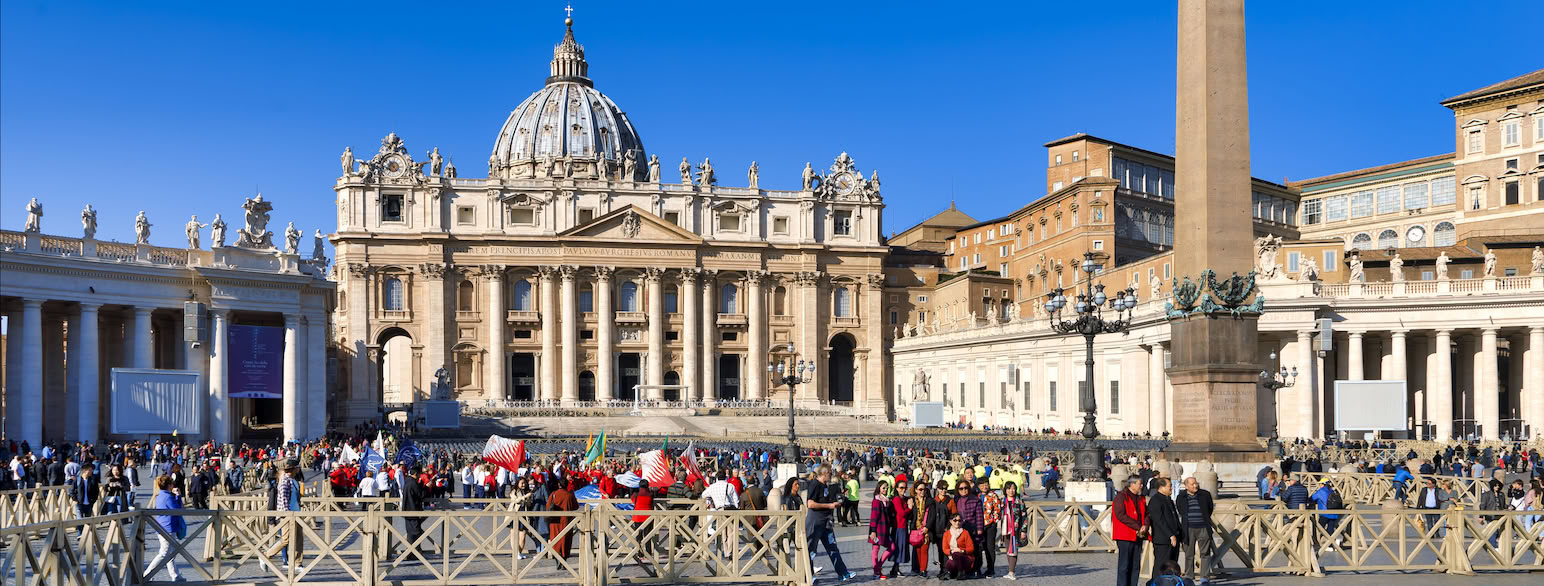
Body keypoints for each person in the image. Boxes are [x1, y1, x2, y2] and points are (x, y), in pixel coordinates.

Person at [805, 464, 857, 581]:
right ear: (824, 473)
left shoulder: (825, 485)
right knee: (811, 550)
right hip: (815, 521)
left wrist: (835, 502)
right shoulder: (814, 484)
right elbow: (810, 504)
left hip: (826, 521)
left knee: (833, 547)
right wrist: (829, 505)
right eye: (830, 473)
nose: (831, 475)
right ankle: (808, 576)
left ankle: (842, 573)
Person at [264, 458, 304, 570]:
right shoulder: (285, 480)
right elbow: (283, 499)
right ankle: (266, 555)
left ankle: (297, 563)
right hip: (287, 514)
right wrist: (287, 514)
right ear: (294, 469)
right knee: (286, 539)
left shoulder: (293, 480)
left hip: (296, 512)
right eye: (297, 467)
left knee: (299, 538)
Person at [143, 475, 185, 582]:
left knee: (170, 553)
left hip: (162, 526)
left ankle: (175, 575)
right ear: (169, 485)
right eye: (172, 484)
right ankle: (147, 574)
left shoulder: (161, 495)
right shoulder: (168, 497)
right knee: (164, 553)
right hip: (168, 527)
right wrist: (178, 496)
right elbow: (178, 510)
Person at [1173, 477, 1215, 580]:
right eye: (1192, 484)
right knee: (1189, 553)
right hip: (1188, 528)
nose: (1195, 486)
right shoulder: (1181, 496)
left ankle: (1205, 577)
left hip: (1203, 527)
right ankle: (1189, 576)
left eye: (1196, 483)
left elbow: (1209, 509)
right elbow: (1180, 510)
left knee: (1205, 553)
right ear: (1186, 486)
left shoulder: (1205, 494)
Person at [1113, 477, 1149, 586]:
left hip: (1138, 535)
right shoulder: (1121, 496)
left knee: (1135, 565)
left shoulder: (1140, 498)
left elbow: (1147, 513)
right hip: (1125, 535)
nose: (1141, 486)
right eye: (1139, 483)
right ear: (1132, 484)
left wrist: (1145, 525)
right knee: (1124, 566)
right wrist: (1138, 526)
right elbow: (1120, 514)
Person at [1148, 477, 1182, 581]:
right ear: (1161, 487)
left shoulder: (1168, 499)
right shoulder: (1155, 500)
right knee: (1161, 565)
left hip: (1174, 538)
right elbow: (1159, 521)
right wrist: (1170, 535)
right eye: (1169, 486)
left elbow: (1174, 518)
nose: (1171, 488)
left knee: (1173, 565)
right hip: (1163, 539)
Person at [869, 479, 897, 578]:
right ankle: (876, 571)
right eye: (883, 488)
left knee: (892, 547)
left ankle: (878, 567)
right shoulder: (877, 501)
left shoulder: (886, 501)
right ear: (879, 488)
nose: (885, 490)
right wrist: (873, 531)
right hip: (877, 531)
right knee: (875, 549)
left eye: (886, 488)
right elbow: (874, 517)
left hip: (884, 529)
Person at [547, 474, 578, 565]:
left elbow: (548, 506)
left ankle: (557, 560)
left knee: (555, 540)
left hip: (555, 521)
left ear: (559, 485)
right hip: (566, 521)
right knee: (566, 540)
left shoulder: (553, 494)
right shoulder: (570, 495)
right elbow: (575, 507)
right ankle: (564, 560)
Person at [1000, 481, 1027, 580]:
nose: (1011, 491)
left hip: (1016, 530)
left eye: (1013, 488)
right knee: (1008, 550)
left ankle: (1011, 572)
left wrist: (1024, 530)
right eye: (1009, 488)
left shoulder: (1019, 501)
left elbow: (1024, 516)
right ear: (1005, 490)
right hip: (1005, 529)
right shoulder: (1003, 500)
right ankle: (1010, 571)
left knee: (1014, 550)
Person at [1309, 479, 1343, 552]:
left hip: (1325, 513)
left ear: (1323, 484)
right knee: (1330, 529)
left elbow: (1312, 498)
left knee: (1319, 527)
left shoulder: (1320, 491)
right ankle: (1333, 543)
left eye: (1320, 484)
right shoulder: (1332, 490)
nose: (1319, 485)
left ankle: (1325, 544)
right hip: (1334, 513)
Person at [939, 514, 976, 580]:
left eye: (959, 520)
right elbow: (945, 548)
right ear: (950, 521)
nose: (957, 522)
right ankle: (956, 572)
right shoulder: (946, 534)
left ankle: (961, 573)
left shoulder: (965, 533)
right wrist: (951, 551)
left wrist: (961, 551)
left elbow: (971, 548)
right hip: (952, 557)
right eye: (955, 520)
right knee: (950, 563)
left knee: (956, 554)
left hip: (965, 558)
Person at [977, 477, 1001, 577]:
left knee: (989, 547)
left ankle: (991, 569)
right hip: (979, 525)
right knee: (979, 547)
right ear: (978, 486)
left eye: (986, 484)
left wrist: (994, 521)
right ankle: (978, 568)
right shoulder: (977, 495)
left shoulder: (993, 495)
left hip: (990, 525)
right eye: (982, 485)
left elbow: (997, 509)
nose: (984, 486)